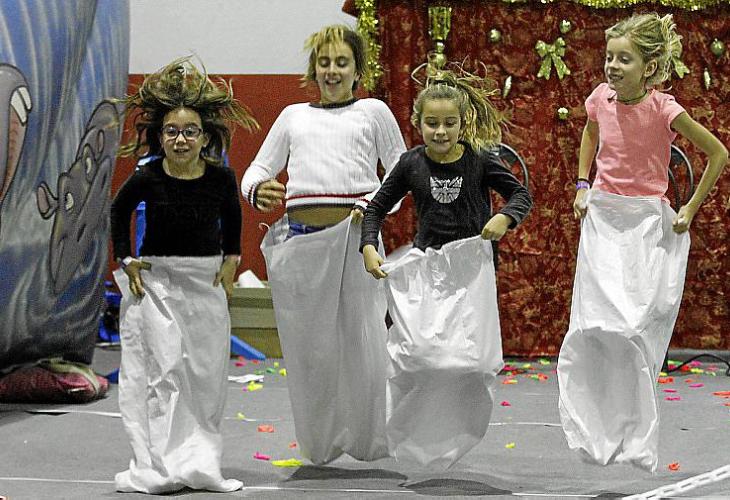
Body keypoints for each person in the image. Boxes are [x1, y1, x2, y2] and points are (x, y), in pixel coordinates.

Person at [558, 13, 728, 472]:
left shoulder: (664, 109)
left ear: (649, 67)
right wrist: (582, 183)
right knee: (595, 325)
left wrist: (689, 208)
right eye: (609, 57)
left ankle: (634, 432)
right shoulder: (601, 97)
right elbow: (591, 130)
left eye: (624, 59)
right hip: (603, 219)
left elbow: (718, 153)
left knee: (633, 329)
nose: (612, 66)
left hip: (645, 223)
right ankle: (595, 427)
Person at [241, 25, 407, 464]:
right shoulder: (293, 116)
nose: (332, 71)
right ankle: (320, 443)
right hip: (303, 244)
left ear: (357, 70)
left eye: (342, 62)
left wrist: (372, 206)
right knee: (310, 350)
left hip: (357, 241)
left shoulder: (373, 112)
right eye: (324, 62)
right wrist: (258, 190)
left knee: (363, 340)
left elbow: (401, 173)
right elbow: (255, 171)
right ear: (314, 69)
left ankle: (369, 439)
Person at [360, 68, 532, 468]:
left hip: (471, 269)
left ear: (462, 123)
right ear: (418, 123)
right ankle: (414, 431)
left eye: (449, 123)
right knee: (420, 355)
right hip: (427, 269)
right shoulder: (411, 163)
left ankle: (457, 429)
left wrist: (505, 217)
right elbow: (376, 207)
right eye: (432, 123)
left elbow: (520, 195)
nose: (440, 132)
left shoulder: (479, 160)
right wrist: (368, 245)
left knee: (472, 362)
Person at [110, 58, 258, 493]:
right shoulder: (148, 176)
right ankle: (160, 463)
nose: (180, 139)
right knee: (165, 368)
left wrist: (232, 258)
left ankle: (200, 460)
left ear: (204, 137)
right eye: (172, 131)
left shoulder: (220, 178)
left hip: (204, 280)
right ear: (160, 137)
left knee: (205, 375)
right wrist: (126, 258)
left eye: (190, 131)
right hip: (158, 280)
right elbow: (118, 212)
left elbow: (233, 217)